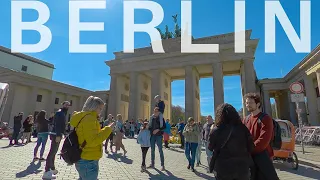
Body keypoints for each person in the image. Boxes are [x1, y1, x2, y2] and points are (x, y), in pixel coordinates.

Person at [69, 96, 114, 180]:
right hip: (88, 159)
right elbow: (93, 141)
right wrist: (108, 129)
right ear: (93, 107)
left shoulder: (86, 117)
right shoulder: (89, 119)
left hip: (85, 157)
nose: (101, 111)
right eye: (100, 109)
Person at [208, 103, 254, 180]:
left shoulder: (216, 130)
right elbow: (251, 146)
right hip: (242, 167)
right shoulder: (243, 128)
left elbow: (210, 147)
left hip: (223, 167)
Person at [244, 93, 279, 180]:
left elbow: (263, 142)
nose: (248, 105)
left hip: (263, 158)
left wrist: (247, 150)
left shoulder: (265, 118)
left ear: (258, 104)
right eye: (246, 103)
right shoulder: (246, 119)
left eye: (250, 103)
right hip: (250, 158)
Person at [43, 101, 70, 179]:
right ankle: (47, 171)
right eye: (66, 105)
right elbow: (58, 124)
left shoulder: (62, 113)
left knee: (53, 153)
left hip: (57, 134)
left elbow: (62, 125)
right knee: (52, 153)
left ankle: (51, 169)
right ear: (62, 105)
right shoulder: (60, 113)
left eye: (68, 105)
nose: (67, 106)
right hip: (56, 135)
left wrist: (64, 133)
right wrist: (58, 135)